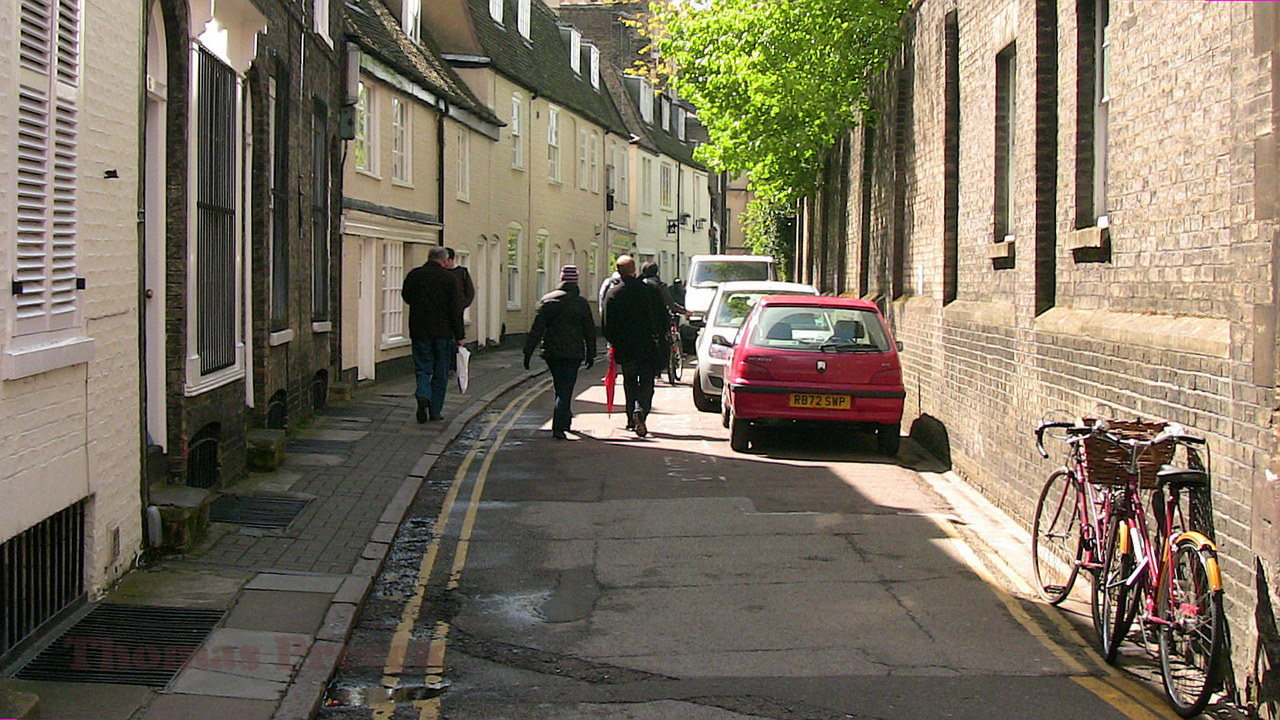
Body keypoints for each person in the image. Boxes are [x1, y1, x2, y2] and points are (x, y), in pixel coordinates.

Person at [523, 266, 596, 440]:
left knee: (560, 386)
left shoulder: (548, 301)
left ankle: (565, 419)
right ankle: (559, 425)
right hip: (573, 352)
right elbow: (589, 331)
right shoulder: (581, 303)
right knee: (566, 388)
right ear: (576, 282)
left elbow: (537, 330)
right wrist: (591, 353)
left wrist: (528, 352)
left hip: (552, 352)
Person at [601, 255, 668, 437]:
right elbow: (664, 318)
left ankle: (631, 418)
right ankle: (641, 410)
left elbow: (606, 326)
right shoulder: (650, 290)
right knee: (647, 381)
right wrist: (661, 336)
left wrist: (615, 343)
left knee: (629, 382)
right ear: (634, 270)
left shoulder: (613, 294)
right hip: (647, 345)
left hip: (625, 348)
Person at [402, 246, 465, 423]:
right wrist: (460, 335)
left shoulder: (415, 275)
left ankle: (423, 394)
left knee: (422, 368)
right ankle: (435, 411)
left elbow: (406, 297)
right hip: (443, 333)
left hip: (420, 330)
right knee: (441, 372)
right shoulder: (450, 279)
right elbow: (456, 310)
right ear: (444, 261)